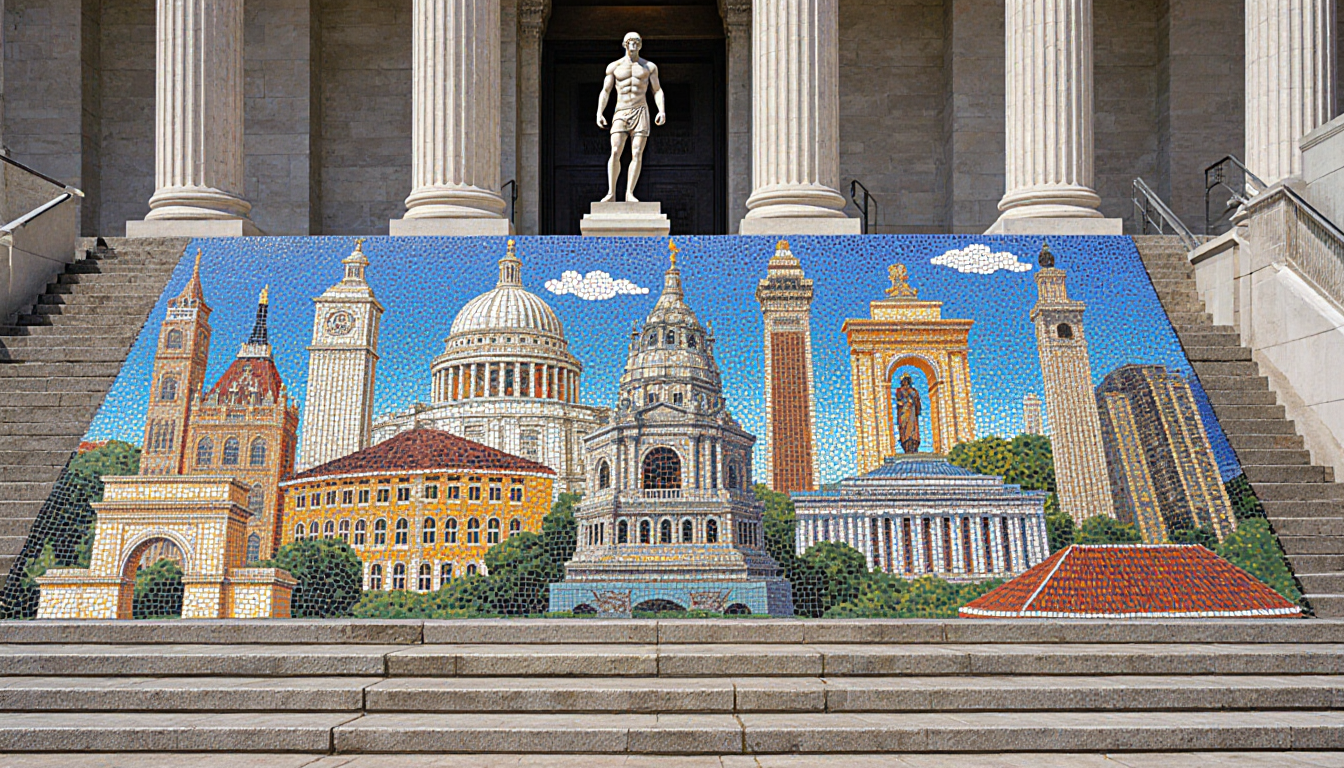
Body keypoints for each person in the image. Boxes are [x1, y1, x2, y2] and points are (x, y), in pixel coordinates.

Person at [596, 32, 666, 203]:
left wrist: (661, 110)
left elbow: (657, 90)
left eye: (636, 42)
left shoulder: (649, 67)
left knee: (637, 152)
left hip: (640, 110)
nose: (633, 45)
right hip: (621, 110)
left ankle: (629, 193)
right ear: (624, 44)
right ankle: (611, 193)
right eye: (629, 41)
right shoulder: (614, 67)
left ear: (640, 45)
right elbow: (605, 91)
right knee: (615, 151)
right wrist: (599, 112)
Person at [894, 374, 921, 454]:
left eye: (907, 380)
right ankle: (906, 444)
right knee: (904, 428)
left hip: (912, 412)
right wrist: (903, 403)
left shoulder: (913, 390)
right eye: (904, 381)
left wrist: (914, 401)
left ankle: (913, 444)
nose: (905, 382)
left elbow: (917, 400)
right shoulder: (899, 390)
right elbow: (899, 400)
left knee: (912, 428)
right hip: (904, 412)